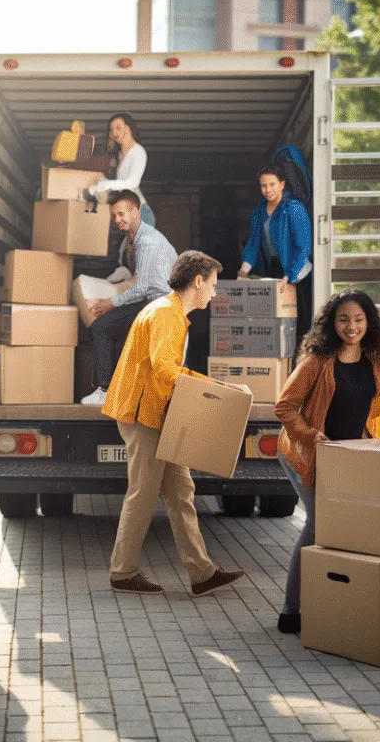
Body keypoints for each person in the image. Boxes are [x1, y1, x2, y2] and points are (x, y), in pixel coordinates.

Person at [102, 250, 249, 597]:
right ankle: (123, 573)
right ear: (197, 282)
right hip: (144, 416)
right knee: (142, 494)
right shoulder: (167, 314)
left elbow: (162, 371)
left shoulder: (170, 313)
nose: (214, 294)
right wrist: (218, 387)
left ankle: (202, 573)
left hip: (154, 414)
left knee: (181, 492)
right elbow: (164, 369)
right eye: (212, 285)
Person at [273, 289, 380, 634]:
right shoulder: (316, 362)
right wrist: (310, 434)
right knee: (318, 522)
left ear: (369, 323)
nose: (351, 326)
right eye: (344, 319)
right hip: (305, 454)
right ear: (332, 323)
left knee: (344, 524)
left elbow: (376, 398)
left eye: (359, 319)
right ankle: (291, 611)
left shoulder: (377, 365)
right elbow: (284, 407)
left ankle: (332, 599)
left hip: (346, 457)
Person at [80, 190, 177, 406]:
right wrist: (102, 286)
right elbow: (126, 271)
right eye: (114, 216)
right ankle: (114, 388)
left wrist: (109, 303)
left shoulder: (148, 242)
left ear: (136, 211)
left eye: (122, 214)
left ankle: (105, 389)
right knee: (110, 328)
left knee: (102, 327)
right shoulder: (128, 241)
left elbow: (141, 288)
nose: (118, 220)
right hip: (147, 301)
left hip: (159, 304)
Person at [237, 165, 314, 336]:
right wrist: (243, 272)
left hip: (298, 271)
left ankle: (297, 360)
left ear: (282, 184)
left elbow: (304, 247)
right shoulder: (259, 211)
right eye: (264, 185)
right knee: (276, 322)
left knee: (298, 322)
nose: (268, 190)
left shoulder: (294, 209)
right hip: (276, 269)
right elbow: (253, 243)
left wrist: (290, 275)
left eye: (272, 184)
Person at [88, 112, 156, 227]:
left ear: (129, 128)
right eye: (112, 130)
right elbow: (121, 184)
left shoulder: (138, 151)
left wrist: (106, 185)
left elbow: (132, 182)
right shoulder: (120, 155)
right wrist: (102, 182)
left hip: (139, 213)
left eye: (118, 128)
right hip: (125, 213)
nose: (114, 133)